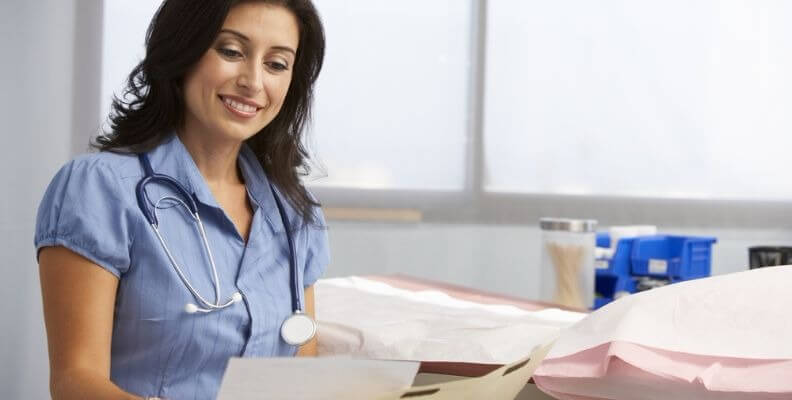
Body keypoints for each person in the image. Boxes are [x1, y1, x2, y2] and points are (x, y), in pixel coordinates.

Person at [35, 1, 329, 399]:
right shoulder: (100, 188)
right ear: (183, 51)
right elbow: (75, 382)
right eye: (231, 51)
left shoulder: (294, 214)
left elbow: (301, 380)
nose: (253, 81)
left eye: (277, 64)